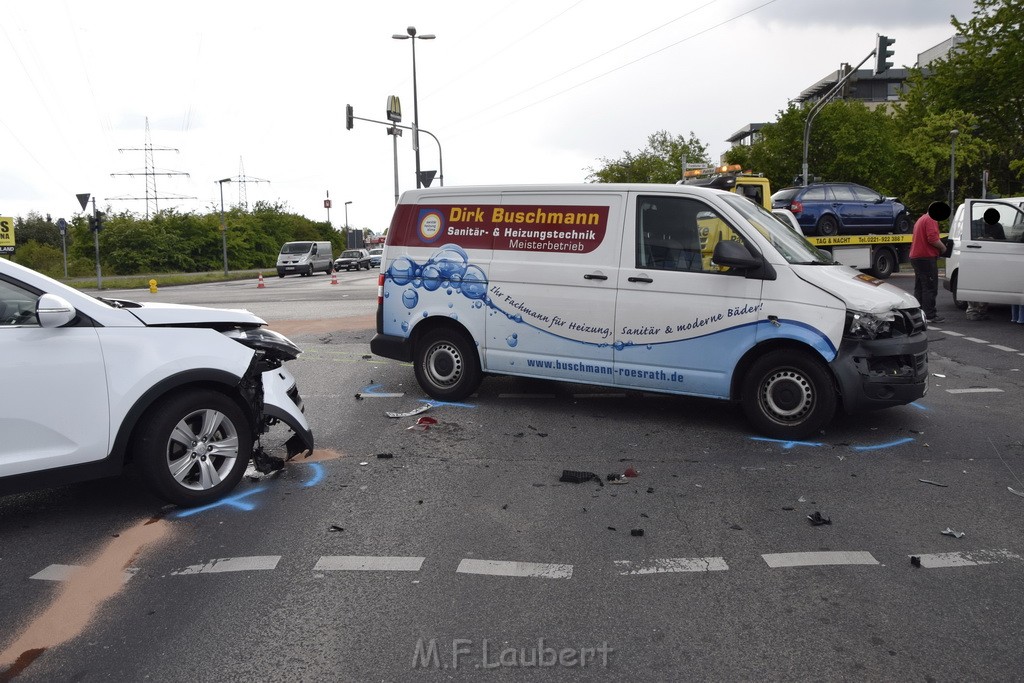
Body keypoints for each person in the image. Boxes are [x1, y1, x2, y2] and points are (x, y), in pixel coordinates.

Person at [910, 201, 950, 324]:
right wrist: (943, 248)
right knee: (930, 287)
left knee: (920, 287)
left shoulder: (921, 219)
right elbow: (932, 238)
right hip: (926, 257)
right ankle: (930, 315)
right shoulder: (931, 219)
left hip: (916, 257)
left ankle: (918, 312)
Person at [966, 208, 1005, 321]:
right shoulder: (975, 225)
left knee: (986, 284)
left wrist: (993, 240)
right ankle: (972, 311)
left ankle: (981, 311)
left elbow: (1003, 241)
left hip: (990, 258)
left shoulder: (998, 226)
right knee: (975, 284)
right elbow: (968, 239)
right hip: (976, 257)